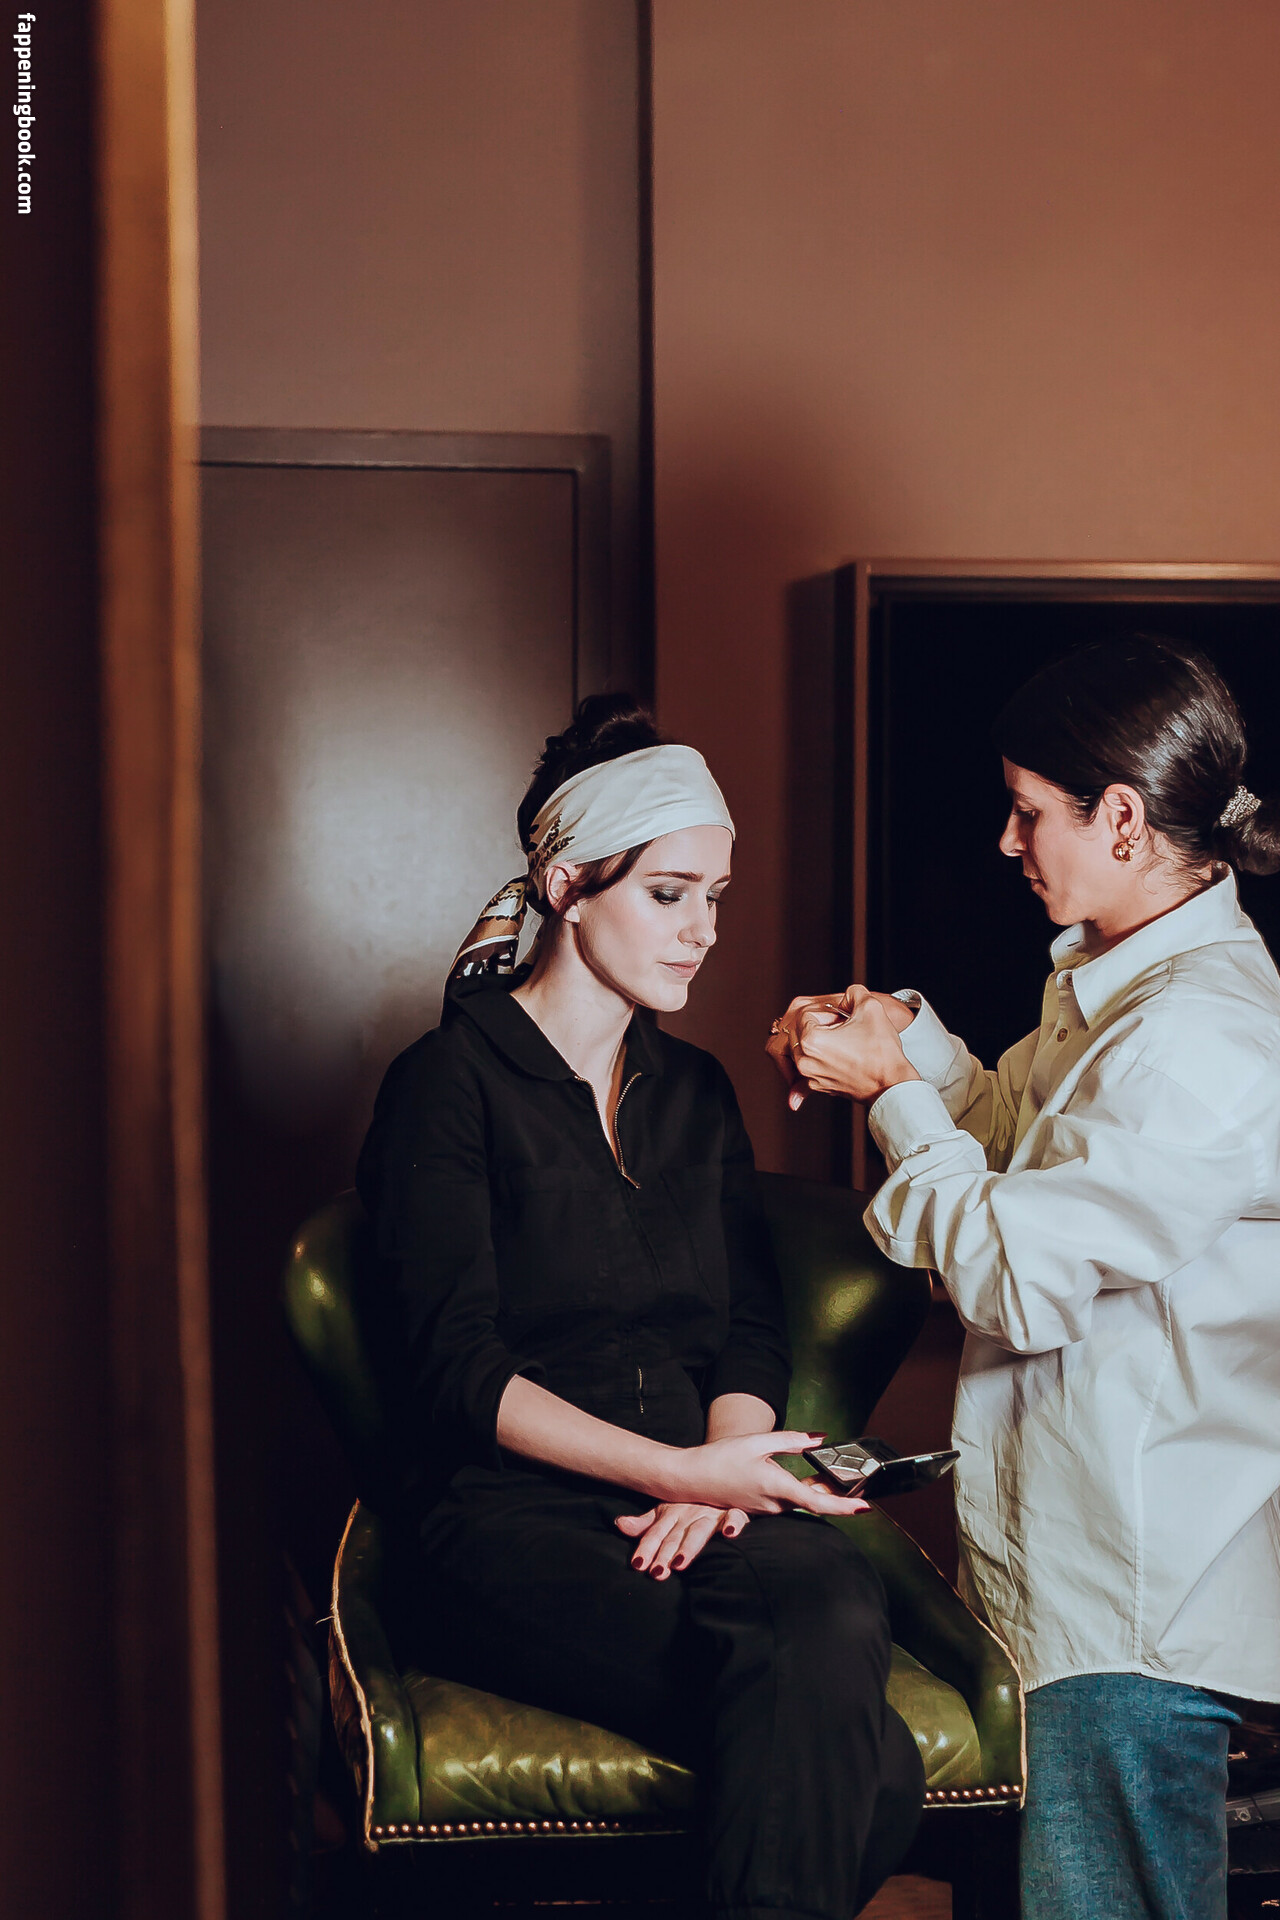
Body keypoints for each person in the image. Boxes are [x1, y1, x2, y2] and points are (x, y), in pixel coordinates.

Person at [357, 693, 925, 1920]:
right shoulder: (444, 1083)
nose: (702, 930)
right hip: (504, 1516)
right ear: (566, 885)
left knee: (832, 1600)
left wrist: (716, 1471)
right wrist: (675, 1471)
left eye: (713, 896)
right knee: (871, 1765)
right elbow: (456, 1369)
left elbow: (750, 1328)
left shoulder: (695, 1091)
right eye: (668, 894)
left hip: (696, 1494)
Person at [768, 636, 1280, 1920]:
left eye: (1027, 810)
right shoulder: (1119, 979)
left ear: (1120, 818)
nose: (1006, 842)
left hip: (1133, 1606)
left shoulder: (1198, 1034)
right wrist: (909, 1044)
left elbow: (1008, 1268)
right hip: (1065, 1589)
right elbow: (1022, 1146)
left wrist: (891, 1094)